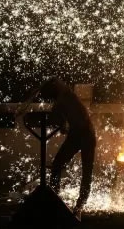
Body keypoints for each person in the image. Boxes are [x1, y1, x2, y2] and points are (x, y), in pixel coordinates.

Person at [16, 78, 96, 214]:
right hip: (77, 135)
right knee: (58, 166)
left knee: (83, 171)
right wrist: (63, 124)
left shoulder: (64, 96)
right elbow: (62, 121)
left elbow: (58, 115)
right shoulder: (63, 98)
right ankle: (57, 199)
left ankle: (76, 205)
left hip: (86, 135)